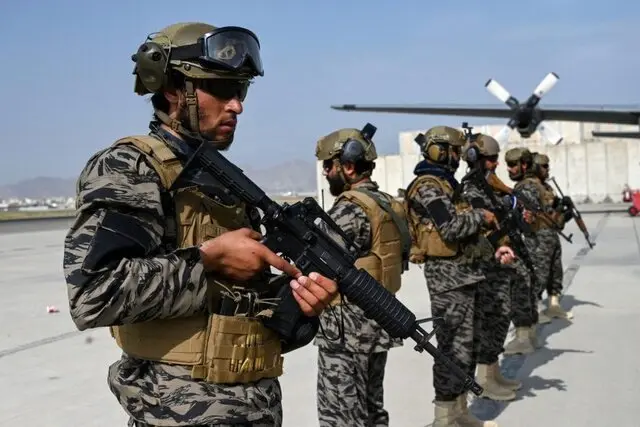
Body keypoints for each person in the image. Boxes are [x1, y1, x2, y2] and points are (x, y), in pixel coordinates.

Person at [62, 22, 339, 427]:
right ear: (174, 88)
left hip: (252, 406)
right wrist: (208, 260)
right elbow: (93, 293)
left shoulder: (223, 179)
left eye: (241, 90)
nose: (237, 106)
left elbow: (236, 306)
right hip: (179, 412)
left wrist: (298, 304)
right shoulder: (131, 167)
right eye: (222, 89)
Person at [404, 125, 515, 427]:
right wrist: (481, 216)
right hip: (447, 281)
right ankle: (444, 417)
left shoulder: (446, 184)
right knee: (451, 350)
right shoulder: (428, 186)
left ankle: (459, 411)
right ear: (439, 151)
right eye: (454, 151)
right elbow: (450, 228)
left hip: (465, 276)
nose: (458, 156)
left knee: (467, 349)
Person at [313, 124, 409, 427]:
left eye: (329, 165)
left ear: (348, 166)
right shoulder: (386, 204)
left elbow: (317, 262)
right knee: (371, 410)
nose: (326, 172)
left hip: (347, 333)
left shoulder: (350, 210)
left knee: (340, 415)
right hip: (378, 323)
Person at [459, 134, 524, 400]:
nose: (496, 164)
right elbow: (480, 228)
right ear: (475, 158)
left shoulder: (489, 188)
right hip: (483, 266)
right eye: (491, 159)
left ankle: (493, 372)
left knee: (501, 315)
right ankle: (485, 379)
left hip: (497, 263)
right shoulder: (471, 190)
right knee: (490, 319)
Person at [504, 147, 552, 348]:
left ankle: (524, 338)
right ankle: (529, 334)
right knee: (529, 286)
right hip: (535, 241)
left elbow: (526, 218)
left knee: (522, 287)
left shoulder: (525, 188)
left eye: (513, 165)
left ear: (524, 165)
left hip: (530, 242)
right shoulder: (534, 185)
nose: (509, 169)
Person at [532, 153, 573, 320]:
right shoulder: (532, 188)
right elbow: (544, 214)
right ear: (535, 167)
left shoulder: (547, 188)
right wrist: (558, 211)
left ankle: (554, 306)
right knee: (540, 274)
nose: (547, 169)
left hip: (551, 235)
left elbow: (554, 217)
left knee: (555, 272)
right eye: (544, 166)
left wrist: (563, 212)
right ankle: (534, 310)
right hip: (539, 237)